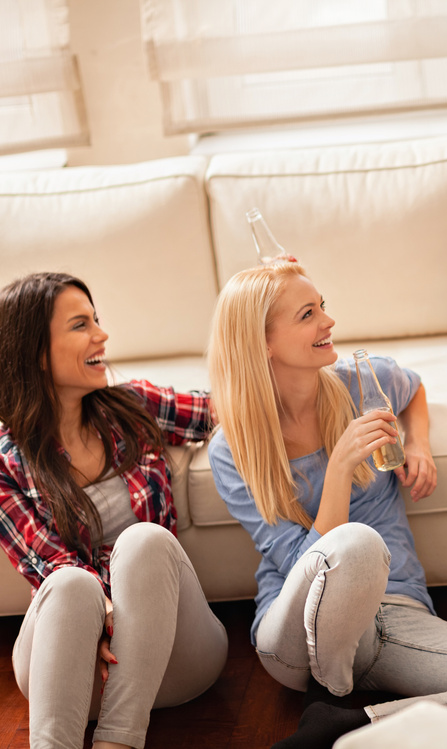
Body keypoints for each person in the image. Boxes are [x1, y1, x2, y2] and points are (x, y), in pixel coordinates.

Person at [206, 261, 447, 749]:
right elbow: (300, 565)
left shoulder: (360, 382)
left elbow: (413, 385)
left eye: (323, 307)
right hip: (296, 629)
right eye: (307, 314)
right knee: (354, 543)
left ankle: (353, 723)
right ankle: (334, 682)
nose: (328, 322)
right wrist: (339, 467)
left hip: (392, 616)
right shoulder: (233, 448)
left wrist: (418, 444)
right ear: (263, 342)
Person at [0, 272, 228, 749]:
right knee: (67, 583)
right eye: (82, 325)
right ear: (36, 352)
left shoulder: (132, 405)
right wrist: (102, 616)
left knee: (143, 540)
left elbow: (233, 409)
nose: (102, 335)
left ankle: (118, 741)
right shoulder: (7, 460)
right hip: (76, 673)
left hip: (171, 657)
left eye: (97, 320)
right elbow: (48, 564)